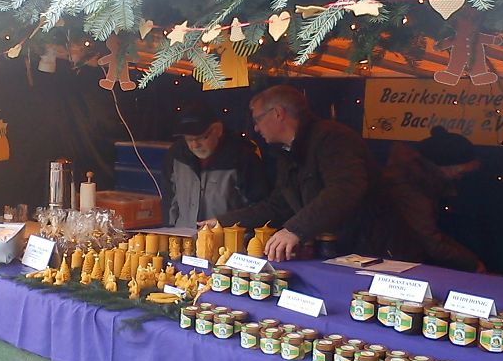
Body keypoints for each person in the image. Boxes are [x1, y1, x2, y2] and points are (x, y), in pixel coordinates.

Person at [210, 84, 413, 262]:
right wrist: (223, 222)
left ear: (278, 113)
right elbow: (277, 206)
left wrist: (295, 229)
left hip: (373, 251)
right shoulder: (287, 154)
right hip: (337, 252)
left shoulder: (333, 138)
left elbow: (345, 189)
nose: (255, 127)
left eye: (258, 119)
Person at [384, 126, 485, 272]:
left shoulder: (418, 180)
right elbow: (431, 241)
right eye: (460, 172)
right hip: (394, 260)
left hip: (397, 255)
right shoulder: (412, 190)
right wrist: (473, 264)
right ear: (444, 167)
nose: (460, 178)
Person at [162, 101, 269, 229]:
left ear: (217, 130)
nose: (195, 145)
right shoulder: (176, 155)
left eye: (202, 137)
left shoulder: (242, 158)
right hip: (183, 238)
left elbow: (258, 209)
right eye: (189, 139)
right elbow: (169, 201)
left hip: (227, 239)